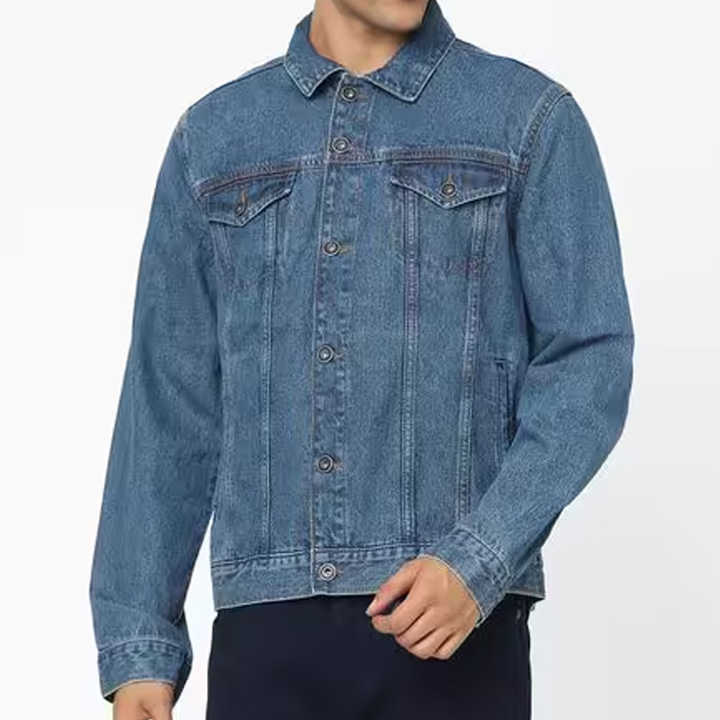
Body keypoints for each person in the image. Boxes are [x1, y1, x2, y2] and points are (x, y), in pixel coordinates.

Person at [88, 1, 634, 718]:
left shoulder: (527, 119)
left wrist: (480, 558)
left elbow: (588, 360)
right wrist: (141, 647)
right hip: (265, 632)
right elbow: (169, 396)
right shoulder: (213, 140)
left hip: (450, 630)